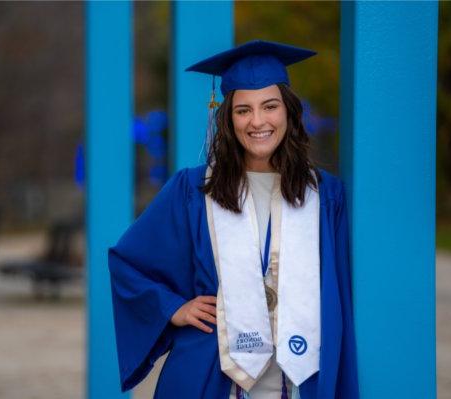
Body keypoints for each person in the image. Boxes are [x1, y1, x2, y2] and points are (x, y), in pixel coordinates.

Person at [108, 40, 359, 399]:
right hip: (212, 374)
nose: (257, 121)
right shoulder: (193, 190)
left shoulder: (324, 196)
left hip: (302, 378)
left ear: (288, 111)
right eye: (243, 110)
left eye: (269, 106)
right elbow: (127, 263)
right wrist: (173, 308)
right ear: (228, 118)